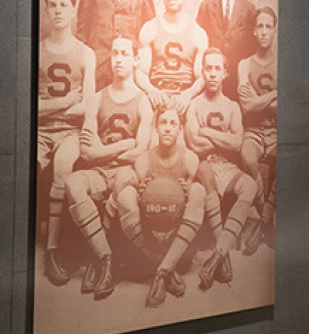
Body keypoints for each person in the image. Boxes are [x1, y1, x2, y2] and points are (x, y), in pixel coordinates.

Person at [64, 35, 153, 300]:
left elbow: (140, 151)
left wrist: (105, 150)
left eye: (125, 54)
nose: (119, 59)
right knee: (73, 183)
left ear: (136, 59)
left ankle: (110, 261)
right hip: (100, 171)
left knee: (125, 187)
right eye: (115, 53)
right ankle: (105, 258)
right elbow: (88, 153)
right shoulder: (96, 98)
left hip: (126, 172)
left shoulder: (143, 101)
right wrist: (119, 146)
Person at [37, 0, 97, 286]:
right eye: (53, 5)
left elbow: (86, 107)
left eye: (64, 4)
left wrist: (47, 107)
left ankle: (52, 252)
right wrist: (62, 103)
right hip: (38, 133)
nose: (58, 10)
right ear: (46, 10)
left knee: (62, 167)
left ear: (73, 10)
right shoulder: (37, 50)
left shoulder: (86, 53)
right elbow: (28, 111)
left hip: (69, 134)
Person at [116, 106, 205, 307]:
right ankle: (163, 267)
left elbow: (192, 202)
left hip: (179, 242)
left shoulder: (190, 159)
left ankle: (164, 270)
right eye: (163, 123)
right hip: (148, 240)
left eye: (173, 123)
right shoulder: (143, 160)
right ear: (156, 128)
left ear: (180, 129)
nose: (167, 128)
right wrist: (143, 191)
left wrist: (186, 189)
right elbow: (140, 205)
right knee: (125, 195)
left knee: (199, 190)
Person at [185, 48, 259, 290]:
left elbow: (237, 143)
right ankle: (223, 256)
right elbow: (195, 144)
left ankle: (217, 255)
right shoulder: (194, 104)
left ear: (226, 72)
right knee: (205, 176)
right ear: (202, 71)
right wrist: (222, 137)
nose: (213, 74)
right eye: (208, 68)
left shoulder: (233, 106)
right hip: (203, 166)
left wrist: (207, 132)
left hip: (226, 166)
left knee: (249, 185)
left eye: (218, 68)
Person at [136, 0, 208, 115]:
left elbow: (201, 76)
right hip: (156, 97)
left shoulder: (198, 33)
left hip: (185, 100)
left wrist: (187, 95)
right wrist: (151, 90)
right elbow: (141, 71)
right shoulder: (149, 29)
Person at [238, 7, 278, 251]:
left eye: (268, 27)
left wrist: (257, 101)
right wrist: (275, 94)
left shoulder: (283, 63)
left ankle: (262, 223)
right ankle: (266, 217)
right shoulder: (244, 65)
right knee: (246, 157)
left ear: (274, 30)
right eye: (260, 27)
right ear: (254, 31)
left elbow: (285, 109)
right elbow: (246, 107)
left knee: (285, 159)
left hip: (276, 132)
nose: (264, 31)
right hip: (253, 132)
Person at [196, 0, 258, 101]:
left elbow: (252, 49)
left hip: (236, 79)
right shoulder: (206, 6)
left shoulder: (249, 10)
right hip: (210, 77)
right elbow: (197, 43)